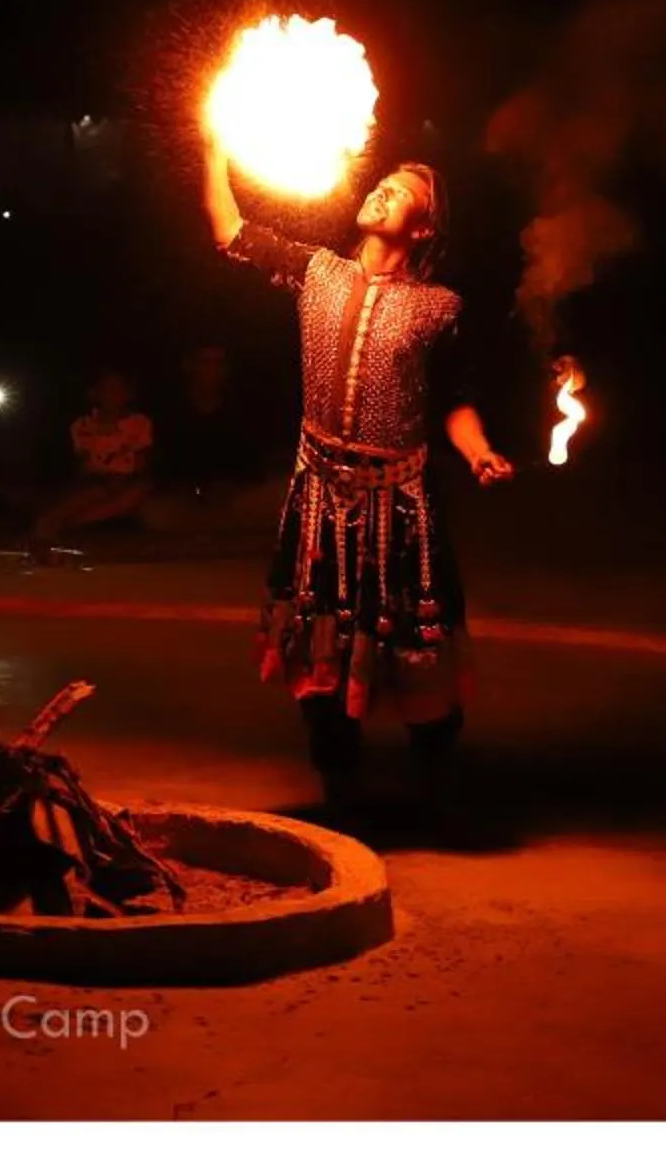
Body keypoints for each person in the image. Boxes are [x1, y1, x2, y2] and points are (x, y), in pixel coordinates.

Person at [203, 138, 514, 830]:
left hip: (399, 504)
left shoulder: (440, 307)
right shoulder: (318, 271)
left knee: (416, 648)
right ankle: (340, 793)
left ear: (423, 228)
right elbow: (229, 229)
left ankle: (438, 786)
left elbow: (454, 401)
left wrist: (479, 450)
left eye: (401, 192)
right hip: (318, 496)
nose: (381, 191)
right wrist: (213, 141)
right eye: (381, 182)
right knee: (319, 646)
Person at [141, 342, 288, 533]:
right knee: (152, 513)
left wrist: (232, 486)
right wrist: (195, 489)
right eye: (204, 362)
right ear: (189, 365)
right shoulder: (169, 411)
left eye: (218, 363)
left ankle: (215, 528)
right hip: (186, 499)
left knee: (283, 491)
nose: (211, 370)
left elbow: (254, 464)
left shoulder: (242, 409)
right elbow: (163, 467)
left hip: (236, 498)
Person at [30, 368, 156, 545]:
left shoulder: (140, 423)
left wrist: (124, 479)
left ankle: (73, 524)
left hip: (129, 482)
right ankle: (49, 524)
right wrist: (104, 480)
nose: (112, 396)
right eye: (107, 390)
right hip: (96, 482)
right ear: (94, 394)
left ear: (128, 394)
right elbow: (84, 464)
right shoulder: (82, 425)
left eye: (118, 389)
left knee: (137, 493)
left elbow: (142, 462)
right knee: (90, 493)